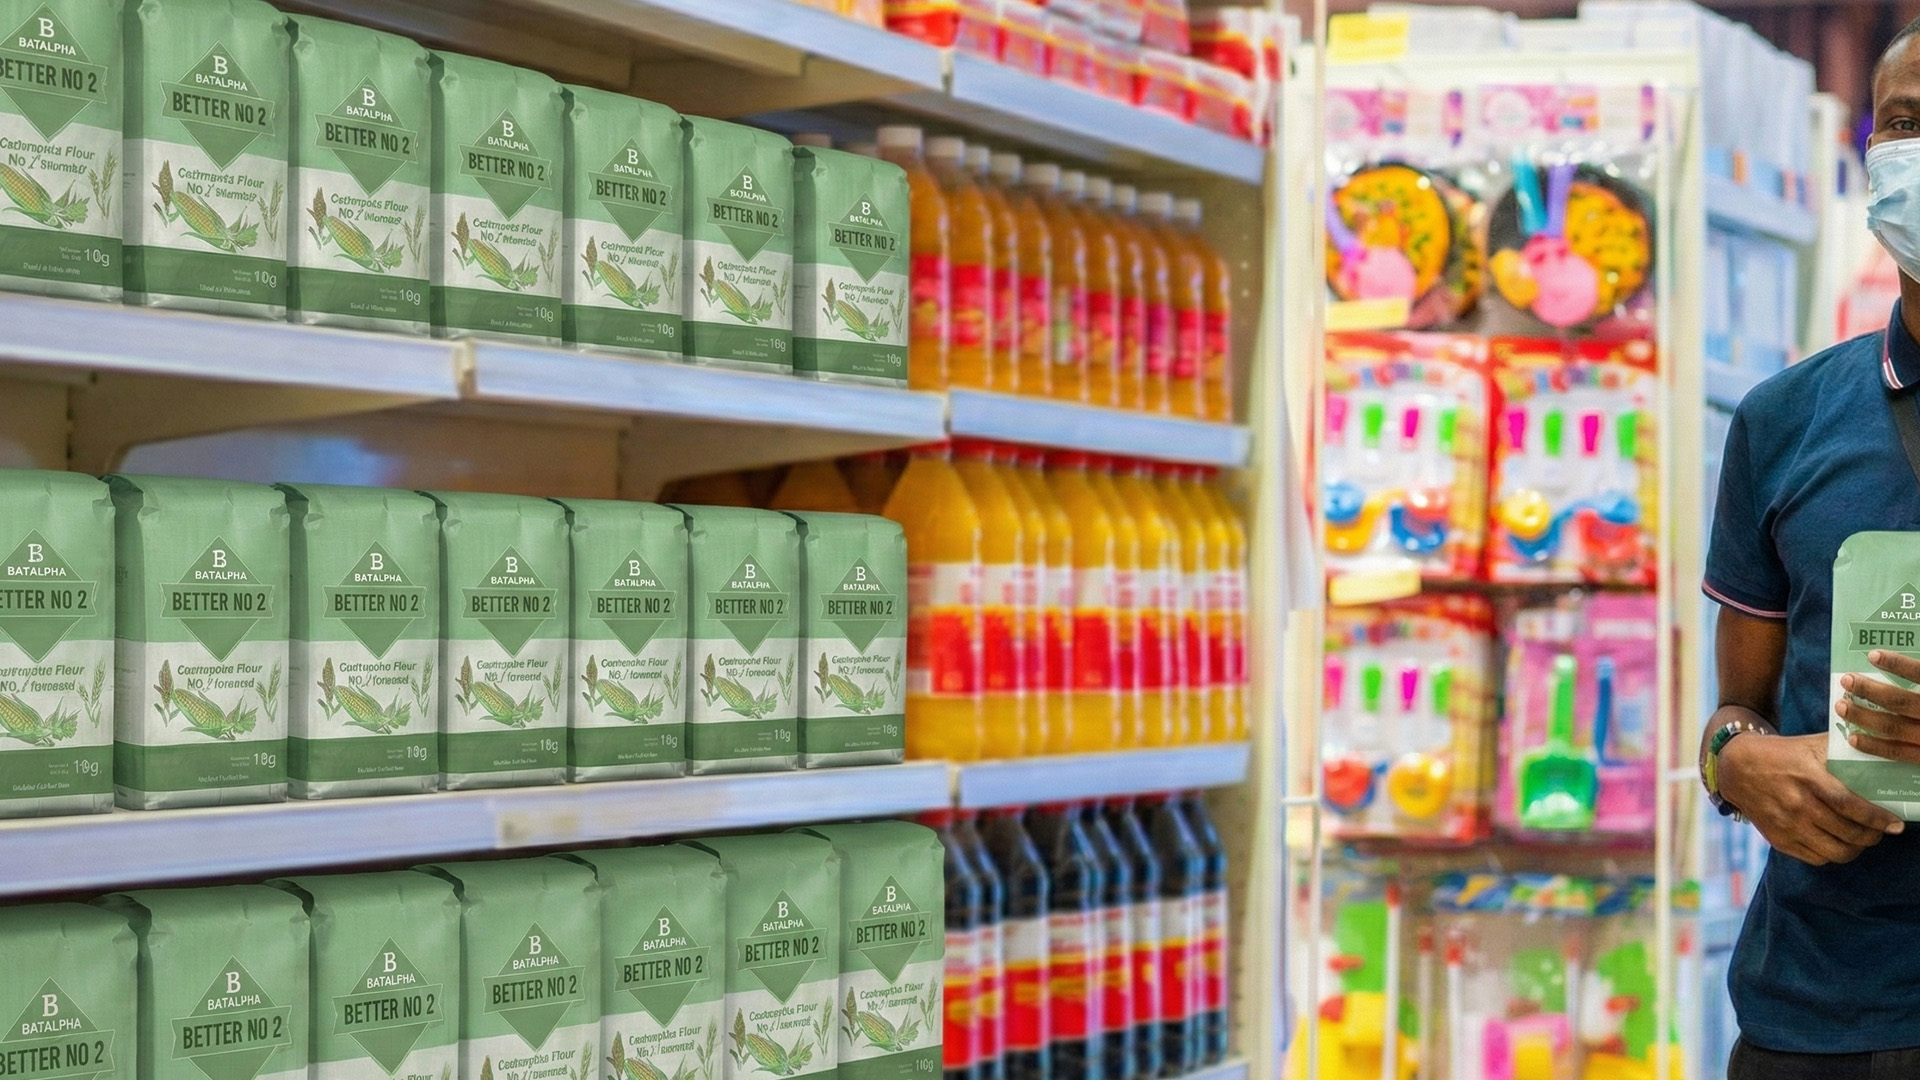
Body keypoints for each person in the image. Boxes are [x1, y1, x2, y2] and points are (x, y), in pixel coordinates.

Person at [1701, 19, 1920, 1078]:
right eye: (1906, 123)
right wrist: (1738, 762)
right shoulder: (1784, 420)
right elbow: (1734, 710)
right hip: (1816, 1019)